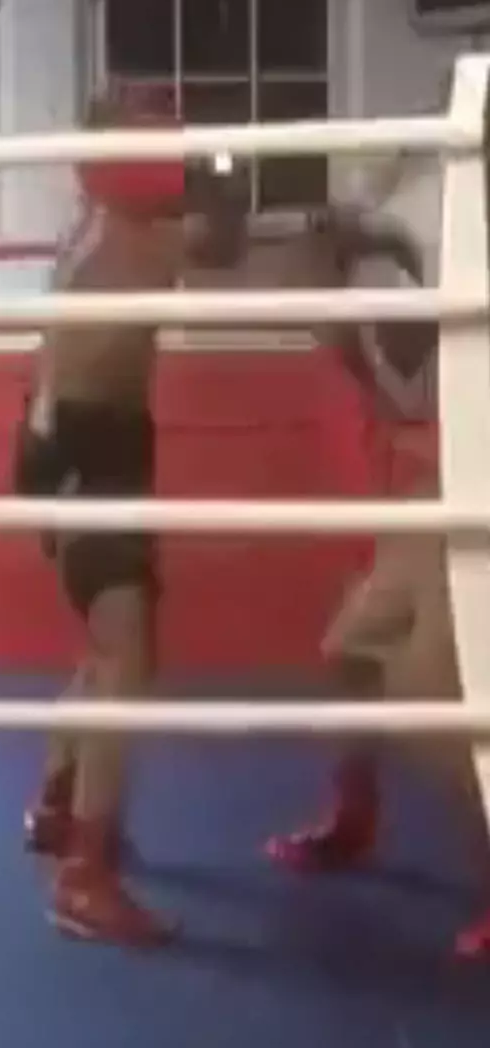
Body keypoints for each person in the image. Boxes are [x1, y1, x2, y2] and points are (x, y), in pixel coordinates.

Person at [13, 84, 249, 947]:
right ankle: (85, 877)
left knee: (107, 647)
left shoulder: (94, 224)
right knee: (128, 655)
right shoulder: (136, 234)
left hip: (74, 441)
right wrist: (227, 178)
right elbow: (227, 246)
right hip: (89, 448)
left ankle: (56, 804)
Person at [260, 205, 490, 961]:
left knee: (434, 697)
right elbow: (406, 409)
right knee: (351, 653)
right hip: (432, 499)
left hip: (473, 498)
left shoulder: (391, 295)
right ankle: (354, 823)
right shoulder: (359, 313)